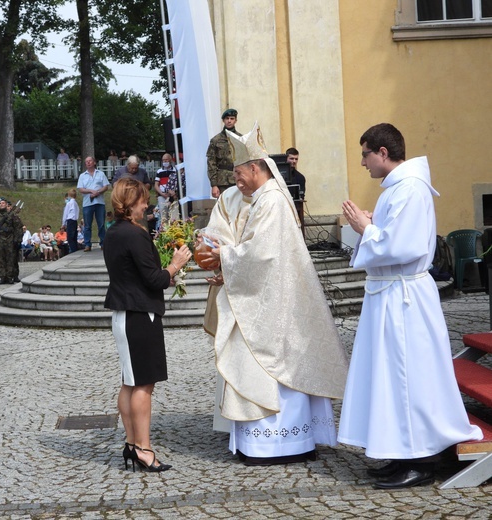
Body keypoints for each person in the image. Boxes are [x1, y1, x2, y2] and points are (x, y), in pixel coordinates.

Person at [338, 123, 483, 489]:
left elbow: (406, 246)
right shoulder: (398, 189)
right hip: (389, 294)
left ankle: (420, 461)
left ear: (383, 153)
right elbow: (393, 237)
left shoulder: (411, 189)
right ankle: (400, 451)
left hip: (403, 299)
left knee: (405, 377)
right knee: (389, 376)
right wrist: (372, 225)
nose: (363, 163)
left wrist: (365, 229)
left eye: (366, 154)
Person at [199, 122, 349, 466]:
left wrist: (225, 258)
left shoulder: (274, 202)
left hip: (276, 304)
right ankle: (254, 443)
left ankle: (284, 444)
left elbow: (263, 254)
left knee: (279, 365)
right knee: (248, 364)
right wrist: (212, 253)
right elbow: (218, 231)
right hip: (244, 295)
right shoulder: (234, 196)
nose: (234, 179)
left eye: (238, 172)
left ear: (256, 168)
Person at [103, 177, 192, 472]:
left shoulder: (113, 232)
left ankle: (132, 443)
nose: (146, 204)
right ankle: (143, 449)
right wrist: (176, 263)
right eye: (142, 200)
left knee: (130, 382)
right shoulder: (134, 234)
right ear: (130, 203)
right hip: (140, 315)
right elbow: (154, 279)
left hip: (124, 313)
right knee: (143, 385)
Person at [0, 197, 23, 284]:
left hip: (9, 239)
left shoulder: (12, 214)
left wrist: (17, 239)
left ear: (6, 204)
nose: (2, 204)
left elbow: (18, 227)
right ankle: (2, 277)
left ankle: (9, 277)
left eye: (3, 203)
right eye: (0, 203)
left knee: (10, 259)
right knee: (0, 259)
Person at [77, 156, 110, 252]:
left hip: (99, 202)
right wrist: (91, 191)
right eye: (86, 161)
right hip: (87, 203)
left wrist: (98, 192)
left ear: (94, 162)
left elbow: (106, 186)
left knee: (101, 224)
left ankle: (103, 243)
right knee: (87, 225)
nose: (88, 163)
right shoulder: (82, 176)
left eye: (90, 161)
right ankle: (87, 244)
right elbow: (81, 189)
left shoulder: (101, 174)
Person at [206, 108, 241, 198]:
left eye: (232, 118)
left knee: (240, 208)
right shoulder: (215, 140)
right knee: (224, 208)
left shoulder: (241, 139)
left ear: (236, 121)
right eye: (227, 119)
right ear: (223, 120)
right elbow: (211, 163)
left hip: (239, 178)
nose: (229, 121)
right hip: (222, 181)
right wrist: (214, 185)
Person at [154, 154, 177, 226]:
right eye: (163, 160)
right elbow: (156, 184)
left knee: (174, 214)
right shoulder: (159, 171)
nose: (165, 162)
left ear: (170, 161)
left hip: (172, 195)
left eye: (166, 160)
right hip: (162, 195)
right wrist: (161, 193)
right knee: (163, 214)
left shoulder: (175, 170)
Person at [62, 188, 80, 254]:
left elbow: (65, 214)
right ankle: (76, 249)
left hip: (70, 220)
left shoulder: (69, 204)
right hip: (75, 221)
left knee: (70, 237)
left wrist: (63, 223)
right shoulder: (76, 204)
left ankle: (73, 251)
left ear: (69, 195)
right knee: (74, 237)